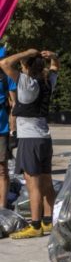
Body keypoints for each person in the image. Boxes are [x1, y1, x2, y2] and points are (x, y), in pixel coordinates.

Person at [0, 49, 58, 238]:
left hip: (29, 139)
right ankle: (49, 221)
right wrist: (54, 56)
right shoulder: (48, 81)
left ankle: (35, 225)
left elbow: (4, 63)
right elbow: (55, 67)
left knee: (33, 185)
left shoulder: (26, 82)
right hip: (44, 138)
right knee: (47, 181)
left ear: (26, 66)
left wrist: (28, 52)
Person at [0, 48, 16, 210]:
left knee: (2, 170)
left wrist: (13, 129)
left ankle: (2, 207)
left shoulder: (7, 79)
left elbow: (14, 105)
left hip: (2, 129)